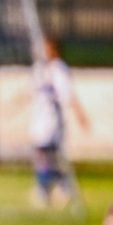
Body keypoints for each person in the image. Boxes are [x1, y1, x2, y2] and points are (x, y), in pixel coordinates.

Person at [30, 36, 89, 209]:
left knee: (48, 155)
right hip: (37, 119)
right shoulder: (38, 69)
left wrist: (80, 115)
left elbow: (68, 95)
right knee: (41, 156)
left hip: (51, 121)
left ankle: (55, 187)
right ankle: (51, 187)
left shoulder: (58, 69)